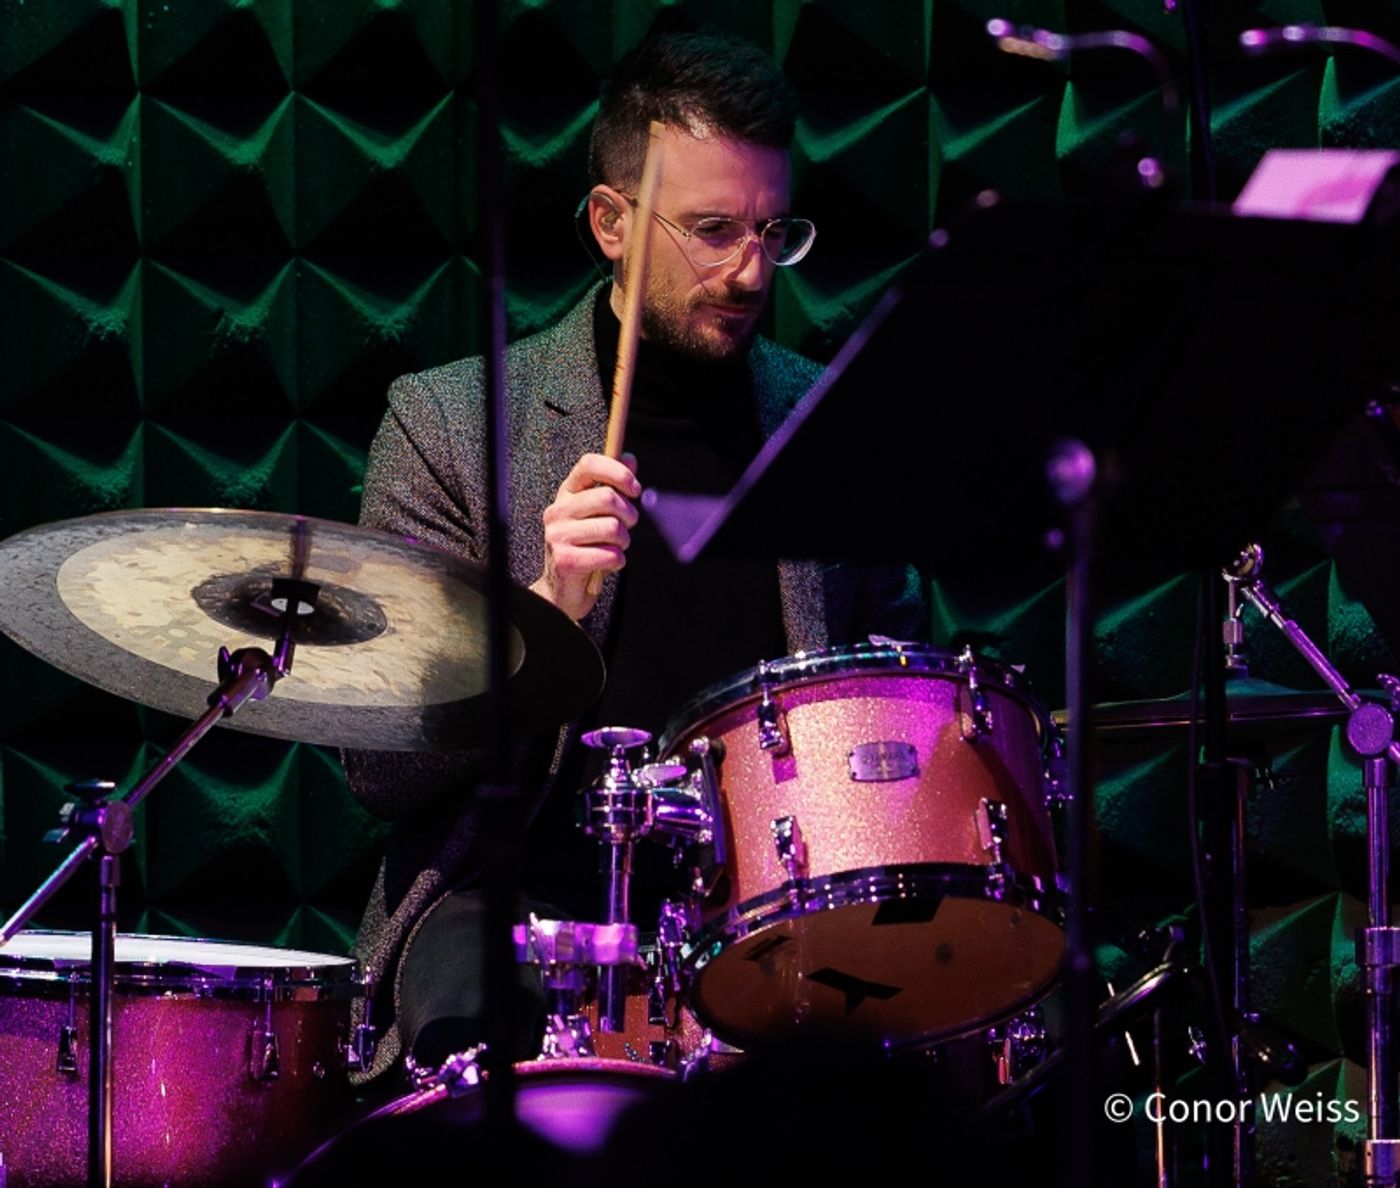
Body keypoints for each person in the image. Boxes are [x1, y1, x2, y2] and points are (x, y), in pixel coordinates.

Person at [342, 29, 926, 1086]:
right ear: (611, 223)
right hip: (514, 906)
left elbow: (895, 707)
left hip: (771, 917)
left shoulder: (829, 423)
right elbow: (381, 770)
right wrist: (541, 610)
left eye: (772, 231)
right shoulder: (449, 423)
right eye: (710, 231)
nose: (748, 271)